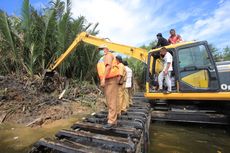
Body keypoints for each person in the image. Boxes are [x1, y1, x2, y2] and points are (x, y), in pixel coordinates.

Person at [97, 44, 119, 129]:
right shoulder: (105, 57)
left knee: (111, 100)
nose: (101, 51)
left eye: (102, 49)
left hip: (110, 80)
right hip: (108, 80)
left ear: (106, 49)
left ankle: (112, 121)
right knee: (110, 100)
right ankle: (111, 118)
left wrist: (103, 79)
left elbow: (108, 67)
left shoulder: (108, 55)